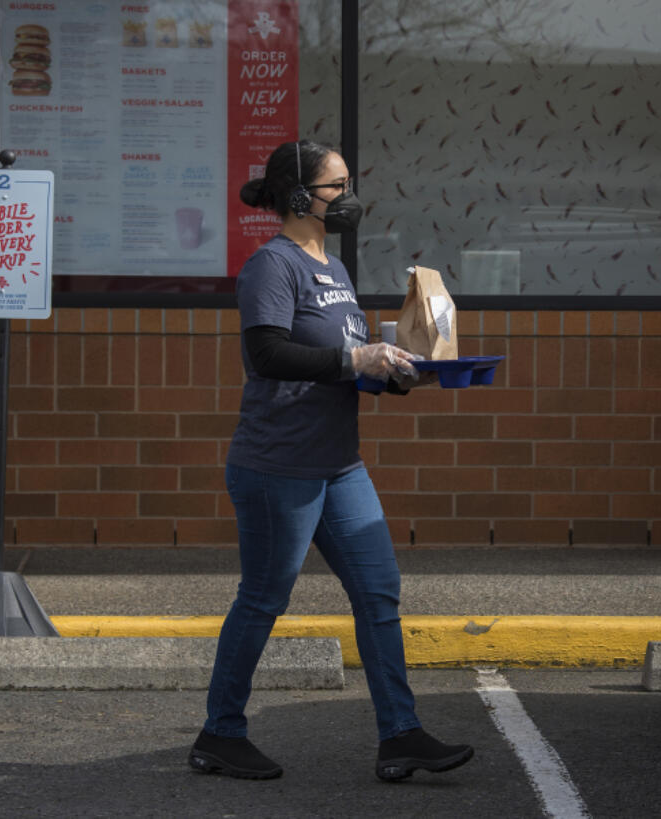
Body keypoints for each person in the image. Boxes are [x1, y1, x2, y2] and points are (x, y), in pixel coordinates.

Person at [188, 140, 474, 782]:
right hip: (277, 466)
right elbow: (266, 355)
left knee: (378, 593)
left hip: (339, 465)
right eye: (335, 185)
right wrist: (355, 360)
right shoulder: (273, 266)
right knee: (263, 598)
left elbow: (344, 361)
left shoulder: (335, 270)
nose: (347, 197)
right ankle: (219, 733)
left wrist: (395, 371)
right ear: (297, 196)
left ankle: (401, 735)